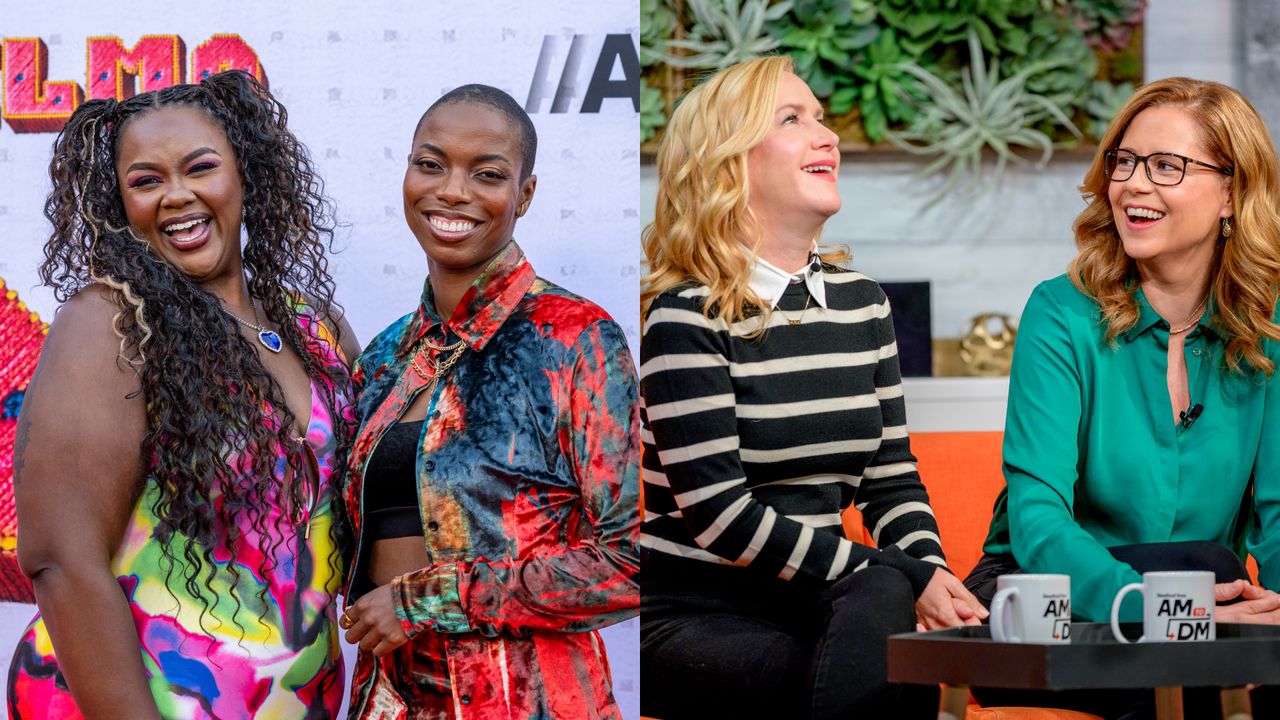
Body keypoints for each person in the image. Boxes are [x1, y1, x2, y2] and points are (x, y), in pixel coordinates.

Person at [638, 55, 985, 720]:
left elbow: (891, 480)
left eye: (821, 119)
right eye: (793, 120)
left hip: (815, 599)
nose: (827, 137)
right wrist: (906, 577)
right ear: (728, 163)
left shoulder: (863, 305)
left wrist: (933, 573)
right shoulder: (688, 314)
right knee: (888, 651)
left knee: (888, 621)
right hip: (692, 615)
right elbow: (719, 517)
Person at [8, 71, 359, 719]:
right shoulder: (112, 323)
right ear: (119, 203)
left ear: (246, 175)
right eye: (146, 181)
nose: (176, 195)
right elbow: (61, 558)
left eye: (200, 167)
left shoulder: (316, 330)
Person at [964, 76, 1280, 717]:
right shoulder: (1061, 313)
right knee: (1206, 571)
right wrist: (1151, 605)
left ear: (1231, 192)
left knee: (1214, 606)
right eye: (1125, 161)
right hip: (1044, 605)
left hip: (1200, 612)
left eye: (1167, 166)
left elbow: (1278, 514)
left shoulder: (1267, 327)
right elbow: (1037, 520)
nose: (1134, 184)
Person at [336, 85, 640, 719]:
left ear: (524, 195)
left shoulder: (575, 337)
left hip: (526, 701)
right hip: (388, 698)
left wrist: (428, 600)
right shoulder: (385, 357)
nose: (452, 190)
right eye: (431, 163)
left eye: (488, 173)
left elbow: (630, 561)